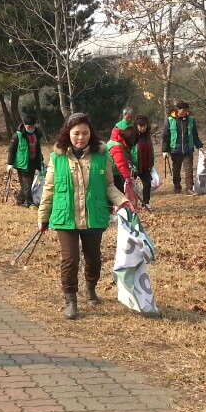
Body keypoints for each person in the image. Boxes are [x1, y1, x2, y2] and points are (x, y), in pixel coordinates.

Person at [36, 112, 132, 320]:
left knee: (93, 258)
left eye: (85, 133)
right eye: (76, 133)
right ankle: (71, 300)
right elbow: (49, 188)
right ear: (68, 133)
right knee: (70, 259)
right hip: (65, 216)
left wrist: (123, 201)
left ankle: (90, 287)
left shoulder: (101, 155)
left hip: (93, 215)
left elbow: (108, 185)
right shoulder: (57, 157)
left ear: (91, 133)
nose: (81, 138)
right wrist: (43, 216)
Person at [161, 101, 203, 194]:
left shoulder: (191, 120)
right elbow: (165, 136)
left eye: (186, 110)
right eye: (183, 110)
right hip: (175, 149)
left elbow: (195, 135)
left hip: (188, 149)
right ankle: (177, 187)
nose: (184, 113)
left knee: (189, 170)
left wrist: (200, 146)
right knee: (176, 170)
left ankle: (189, 188)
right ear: (178, 110)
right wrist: (164, 150)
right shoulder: (170, 120)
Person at [6, 113, 44, 207]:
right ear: (24, 125)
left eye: (32, 126)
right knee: (27, 185)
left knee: (28, 184)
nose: (30, 128)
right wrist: (10, 163)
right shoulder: (18, 136)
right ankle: (30, 203)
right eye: (29, 126)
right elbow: (12, 150)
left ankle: (20, 200)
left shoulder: (36, 134)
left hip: (33, 162)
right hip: (22, 164)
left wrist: (41, 160)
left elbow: (38, 148)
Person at [106, 125, 140, 204]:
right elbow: (121, 164)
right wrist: (128, 178)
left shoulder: (118, 142)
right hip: (110, 174)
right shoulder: (117, 146)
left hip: (114, 173)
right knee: (117, 197)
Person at [132, 115, 155, 209]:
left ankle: (146, 203)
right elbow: (128, 149)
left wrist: (152, 163)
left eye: (144, 126)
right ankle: (129, 204)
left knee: (147, 184)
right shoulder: (132, 136)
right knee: (130, 186)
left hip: (145, 165)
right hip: (134, 165)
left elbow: (151, 150)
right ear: (136, 126)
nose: (142, 128)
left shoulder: (148, 136)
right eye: (140, 126)